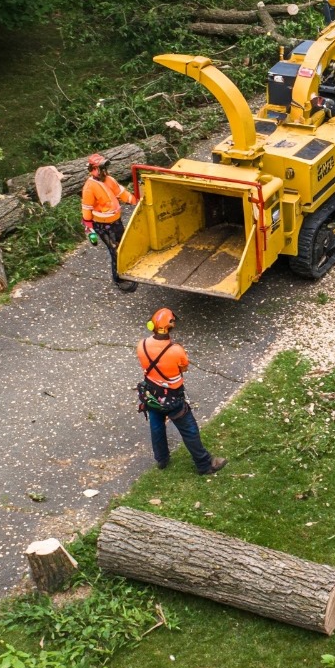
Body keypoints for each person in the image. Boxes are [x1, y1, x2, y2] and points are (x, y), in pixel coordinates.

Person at [137, 308, 227, 475]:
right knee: (189, 429)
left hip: (151, 394)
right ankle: (205, 464)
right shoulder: (176, 350)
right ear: (170, 326)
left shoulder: (141, 345)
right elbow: (183, 367)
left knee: (156, 425)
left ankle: (162, 459)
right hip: (172, 398)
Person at [81, 153, 138, 292]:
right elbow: (86, 208)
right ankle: (119, 278)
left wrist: (135, 200)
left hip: (116, 221)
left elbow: (121, 193)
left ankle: (128, 270)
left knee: (124, 245)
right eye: (101, 169)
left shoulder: (109, 180)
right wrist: (89, 227)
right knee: (114, 250)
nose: (104, 172)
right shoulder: (89, 187)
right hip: (102, 225)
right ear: (93, 169)